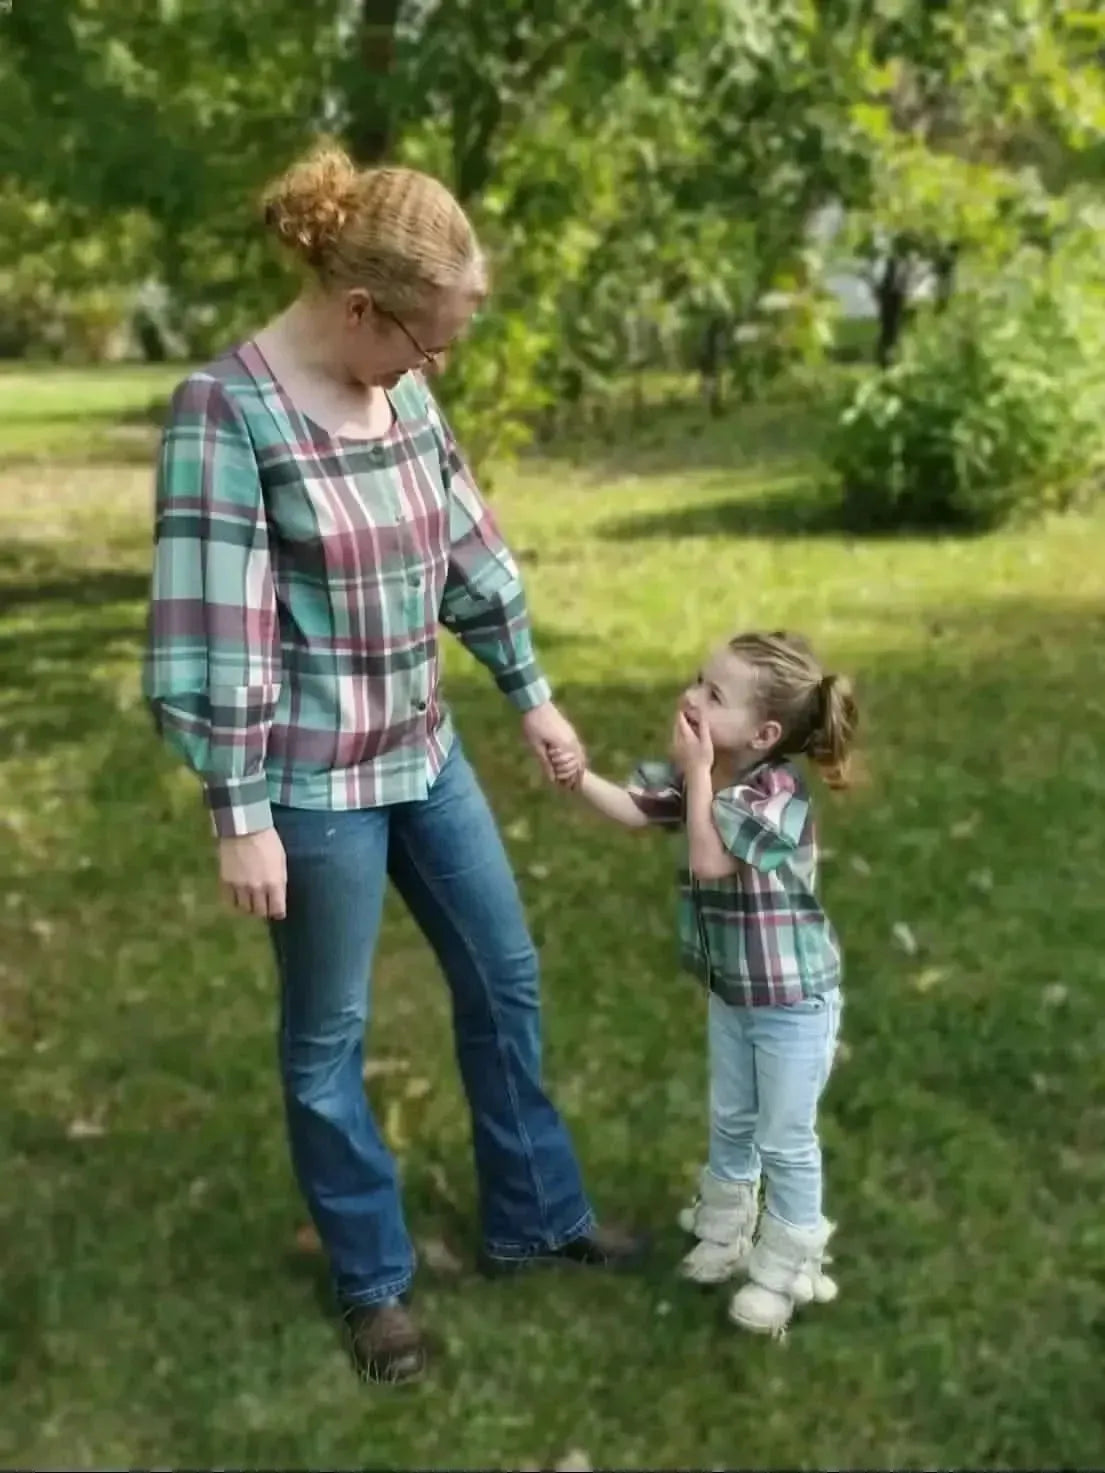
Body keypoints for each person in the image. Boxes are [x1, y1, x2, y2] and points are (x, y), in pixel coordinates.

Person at [141, 140, 643, 1386]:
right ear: (359, 308)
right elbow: (217, 629)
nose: (438, 367)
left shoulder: (402, 394)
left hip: (422, 751)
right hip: (310, 785)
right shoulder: (230, 412)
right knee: (328, 1036)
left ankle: (534, 1220)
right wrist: (238, 809)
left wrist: (527, 691)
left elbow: (465, 549)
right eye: (430, 341)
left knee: (505, 976)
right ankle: (374, 1283)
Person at [553, 630, 858, 1336]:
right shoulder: (709, 772)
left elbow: (711, 861)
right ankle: (725, 1228)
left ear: (764, 732)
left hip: (791, 1001)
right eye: (697, 680)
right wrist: (577, 777)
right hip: (733, 988)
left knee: (785, 1136)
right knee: (731, 1117)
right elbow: (636, 809)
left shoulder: (775, 793)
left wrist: (694, 776)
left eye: (712, 695)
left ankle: (787, 1262)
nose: (690, 697)